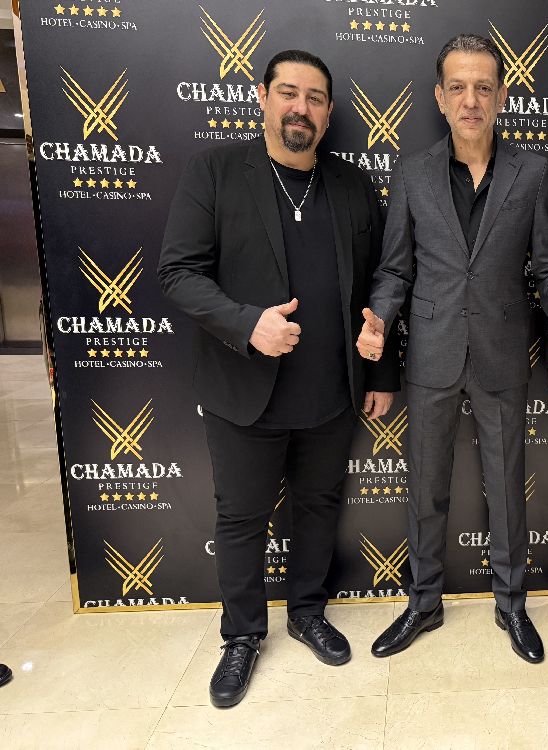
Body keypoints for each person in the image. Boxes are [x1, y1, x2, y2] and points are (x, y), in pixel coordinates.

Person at [159, 49, 399, 708]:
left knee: (319, 507)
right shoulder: (215, 170)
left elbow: (379, 288)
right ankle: (241, 636)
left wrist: (380, 369)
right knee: (241, 518)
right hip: (243, 390)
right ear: (262, 97)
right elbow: (178, 272)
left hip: (333, 391)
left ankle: (307, 612)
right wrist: (247, 324)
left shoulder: (351, 185)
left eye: (315, 98)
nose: (301, 108)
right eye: (289, 93)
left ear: (328, 111)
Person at [356, 33, 548, 664]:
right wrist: (380, 320)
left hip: (502, 350)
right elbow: (395, 269)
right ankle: (423, 603)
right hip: (430, 350)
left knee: (506, 486)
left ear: (502, 96)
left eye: (483, 87)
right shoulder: (412, 172)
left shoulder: (532, 171)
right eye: (457, 87)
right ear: (439, 96)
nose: (471, 99)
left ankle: (512, 605)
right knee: (425, 487)